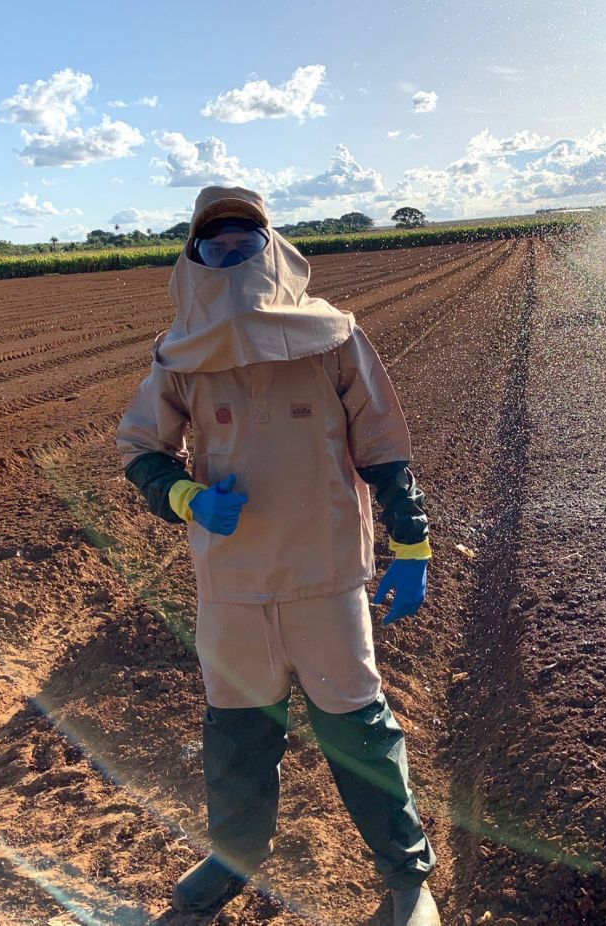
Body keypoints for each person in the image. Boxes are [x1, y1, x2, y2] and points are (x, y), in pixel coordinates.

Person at [116, 186, 440, 925]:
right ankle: (232, 861)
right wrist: (185, 498)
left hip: (324, 573)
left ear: (275, 254)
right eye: (214, 248)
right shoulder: (181, 356)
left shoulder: (333, 338)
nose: (230, 259)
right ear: (193, 261)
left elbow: (384, 444)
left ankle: (406, 879)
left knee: (358, 725)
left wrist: (411, 540)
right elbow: (142, 446)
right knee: (235, 730)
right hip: (229, 584)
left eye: (244, 245)